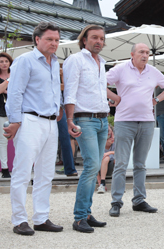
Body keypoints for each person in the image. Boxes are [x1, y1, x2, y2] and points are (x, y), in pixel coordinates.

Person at [4, 21, 64, 236]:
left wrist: (58, 109)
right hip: (29, 120)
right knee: (22, 172)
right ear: (37, 39)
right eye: (49, 39)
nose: (54, 43)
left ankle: (40, 218)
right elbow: (15, 92)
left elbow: (55, 91)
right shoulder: (25, 60)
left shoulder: (55, 62)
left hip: (50, 123)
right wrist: (14, 121)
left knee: (46, 174)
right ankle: (20, 220)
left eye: (56, 40)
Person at [106, 43, 164, 217]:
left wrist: (157, 100)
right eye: (141, 52)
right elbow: (100, 82)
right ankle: (116, 202)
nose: (145, 55)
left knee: (140, 164)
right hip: (124, 121)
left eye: (147, 53)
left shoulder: (152, 71)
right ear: (132, 54)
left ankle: (138, 200)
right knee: (121, 163)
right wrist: (114, 97)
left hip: (146, 122)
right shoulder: (121, 68)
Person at [64, 24, 116, 233]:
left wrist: (108, 120)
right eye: (94, 37)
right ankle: (79, 218)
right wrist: (69, 120)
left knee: (93, 166)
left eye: (102, 39)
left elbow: (98, 92)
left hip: (102, 120)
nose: (99, 41)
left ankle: (86, 213)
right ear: (84, 40)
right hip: (84, 119)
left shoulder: (101, 63)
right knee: (92, 166)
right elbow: (70, 92)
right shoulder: (75, 60)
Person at [56, 68, 78, 177]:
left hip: (60, 108)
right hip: (45, 110)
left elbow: (67, 88)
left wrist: (61, 76)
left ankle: (70, 168)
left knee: (66, 138)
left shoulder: (62, 72)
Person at [98, 125, 115, 193]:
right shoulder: (99, 145)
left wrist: (109, 153)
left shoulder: (115, 142)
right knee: (105, 158)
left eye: (112, 135)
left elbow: (120, 152)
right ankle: (102, 183)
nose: (112, 138)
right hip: (100, 169)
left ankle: (118, 183)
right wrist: (99, 180)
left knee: (118, 158)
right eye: (109, 136)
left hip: (112, 167)